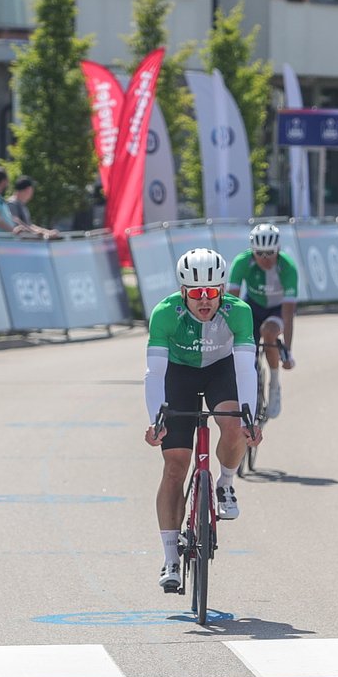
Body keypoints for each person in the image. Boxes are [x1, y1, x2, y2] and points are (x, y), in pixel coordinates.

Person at [144, 249, 262, 593]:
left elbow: (246, 369)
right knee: (175, 467)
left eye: (212, 291)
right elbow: (154, 373)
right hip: (178, 375)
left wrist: (250, 418)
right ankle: (170, 558)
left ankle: (225, 482)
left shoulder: (238, 312)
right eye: (197, 293)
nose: (205, 300)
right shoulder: (165, 313)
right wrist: (156, 421)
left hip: (220, 371)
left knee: (234, 425)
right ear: (183, 291)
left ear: (222, 289)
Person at [226, 223, 300, 419]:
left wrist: (288, 350)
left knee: (268, 331)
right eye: (260, 253)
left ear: (278, 249)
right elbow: (230, 303)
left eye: (270, 253)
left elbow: (288, 314)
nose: (265, 259)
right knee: (243, 345)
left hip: (277, 309)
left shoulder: (287, 267)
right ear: (253, 251)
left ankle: (274, 384)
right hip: (252, 306)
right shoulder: (242, 262)